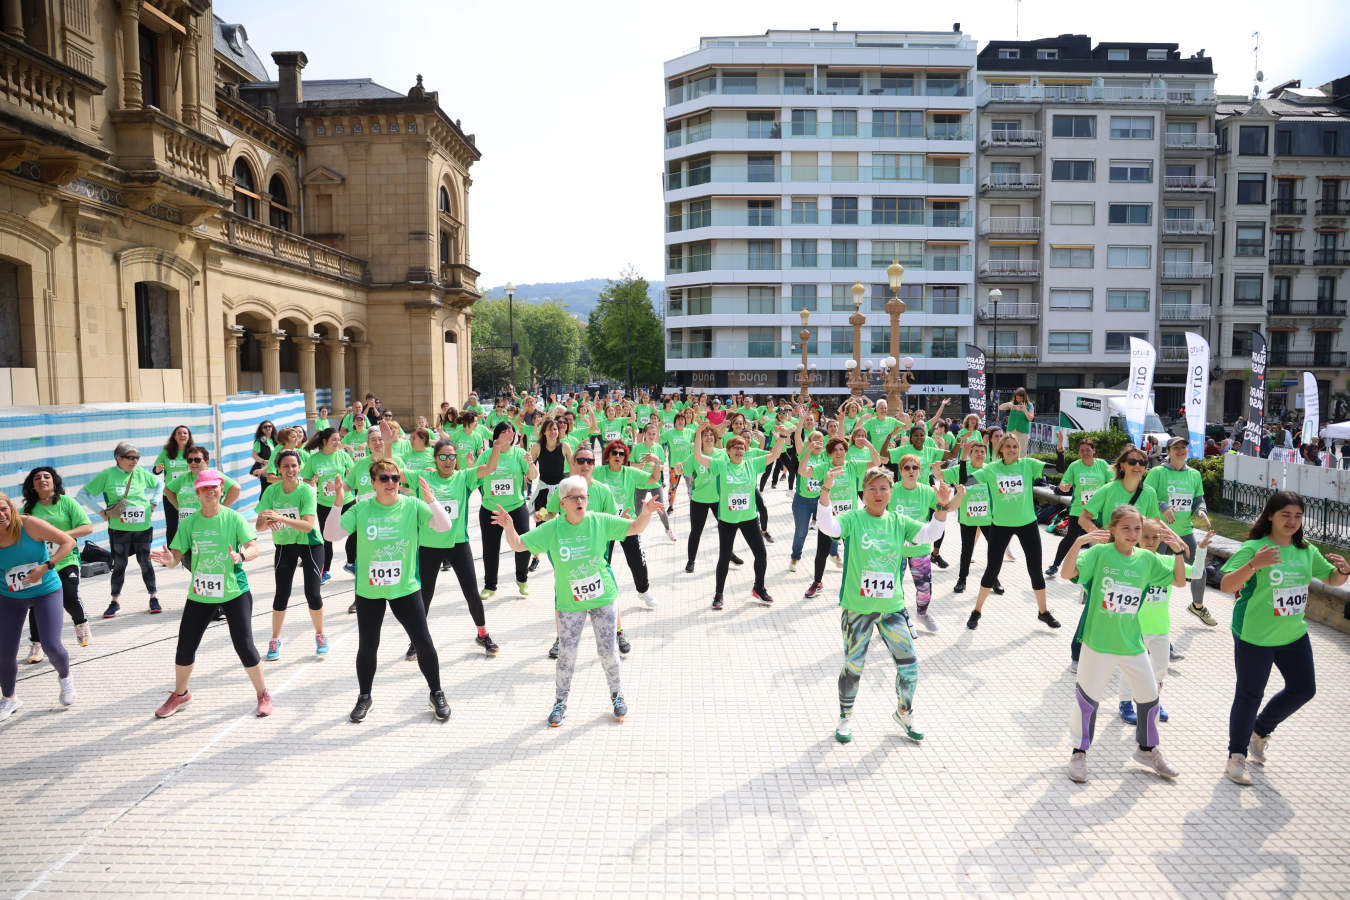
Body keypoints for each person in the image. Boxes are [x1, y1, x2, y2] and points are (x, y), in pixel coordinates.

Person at [494, 477, 663, 727]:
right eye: (574, 497)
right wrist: (509, 526)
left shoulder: (599, 521)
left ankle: (617, 695)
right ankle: (560, 702)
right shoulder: (552, 528)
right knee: (566, 655)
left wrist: (646, 512)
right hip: (569, 603)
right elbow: (518, 545)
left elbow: (635, 528)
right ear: (563, 503)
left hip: (603, 597)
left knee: (608, 650)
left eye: (583, 496)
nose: (580, 501)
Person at [1218, 491, 1349, 785]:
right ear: (1270, 516)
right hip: (1255, 634)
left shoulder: (1305, 550)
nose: (1292, 521)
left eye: (1298, 516)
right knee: (1249, 695)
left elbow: (1331, 579)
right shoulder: (1255, 548)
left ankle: (1260, 730)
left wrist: (1343, 571)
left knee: (1304, 689)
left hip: (1293, 634)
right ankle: (1236, 756)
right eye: (1285, 515)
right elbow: (1226, 584)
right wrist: (1254, 564)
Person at [815, 466, 952, 743]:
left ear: (891, 492)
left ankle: (904, 712)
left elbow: (929, 534)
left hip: (892, 608)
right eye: (872, 489)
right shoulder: (853, 518)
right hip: (858, 608)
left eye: (883, 488)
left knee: (910, 665)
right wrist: (826, 490)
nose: (878, 494)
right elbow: (827, 526)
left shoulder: (899, 521)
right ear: (862, 493)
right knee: (854, 666)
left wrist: (941, 505)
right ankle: (845, 717)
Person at [1060, 506, 1187, 783]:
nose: (1132, 534)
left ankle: (1147, 750)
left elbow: (1179, 581)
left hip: (1132, 642)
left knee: (1149, 696)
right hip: (1098, 642)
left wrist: (1178, 552)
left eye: (1137, 529)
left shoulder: (1146, 559)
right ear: (1113, 529)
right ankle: (1079, 753)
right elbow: (1066, 574)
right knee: (1087, 699)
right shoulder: (1099, 553)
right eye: (1126, 528)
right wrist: (1080, 542)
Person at [323, 459, 456, 723]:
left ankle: (436, 692)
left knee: (423, 641)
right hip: (369, 591)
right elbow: (331, 535)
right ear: (373, 482)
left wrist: (431, 500)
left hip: (405, 588)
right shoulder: (362, 508)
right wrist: (338, 502)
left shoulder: (412, 505)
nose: (391, 483)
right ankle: (364, 697)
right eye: (384, 478)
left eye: (395, 478)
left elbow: (444, 526)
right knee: (368, 644)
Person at [149, 469, 271, 718]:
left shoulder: (233, 518)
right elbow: (177, 556)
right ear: (197, 492)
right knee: (185, 647)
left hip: (234, 591)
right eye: (204, 488)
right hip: (200, 593)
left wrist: (242, 556)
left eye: (214, 487)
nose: (210, 491)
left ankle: (263, 694)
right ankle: (181, 695)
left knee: (244, 646)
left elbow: (253, 547)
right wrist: (168, 560)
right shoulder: (190, 522)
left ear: (221, 489)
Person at [1115, 520, 1213, 724]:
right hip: (1134, 629)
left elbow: (1195, 574)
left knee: (1160, 668)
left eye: (1155, 537)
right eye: (1146, 537)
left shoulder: (1168, 562)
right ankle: (1125, 703)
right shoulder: (1130, 560)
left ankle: (1153, 701)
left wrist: (1201, 550)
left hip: (1160, 628)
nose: (1150, 541)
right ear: (1138, 537)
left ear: (1162, 538)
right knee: (1130, 669)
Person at [965, 434, 1061, 631]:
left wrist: (1060, 451)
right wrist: (964, 460)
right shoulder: (992, 469)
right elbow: (966, 482)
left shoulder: (1027, 464)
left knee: (1035, 569)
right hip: (1000, 525)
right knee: (992, 569)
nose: (1011, 450)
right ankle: (976, 611)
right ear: (1001, 449)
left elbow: (1058, 469)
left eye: (1015, 446)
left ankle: (1043, 612)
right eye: (1007, 446)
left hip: (1028, 524)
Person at [418, 439, 501, 657]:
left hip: (458, 544)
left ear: (457, 459)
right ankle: (416, 640)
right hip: (429, 546)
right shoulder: (424, 477)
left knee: (472, 593)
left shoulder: (463, 477)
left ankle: (482, 634)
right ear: (435, 459)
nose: (448, 461)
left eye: (452, 456)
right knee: (424, 595)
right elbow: (395, 471)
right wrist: (386, 445)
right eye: (443, 457)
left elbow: (490, 468)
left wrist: (498, 447)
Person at [0, 491, 78, 722]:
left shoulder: (29, 524)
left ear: (11, 508)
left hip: (46, 591)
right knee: (4, 653)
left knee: (51, 644)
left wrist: (47, 566)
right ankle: (9, 698)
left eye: (3, 508)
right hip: (10, 596)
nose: (0, 514)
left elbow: (68, 541)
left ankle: (66, 680)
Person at [691, 425, 783, 609]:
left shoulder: (751, 464)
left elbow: (774, 455)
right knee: (724, 557)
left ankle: (759, 587)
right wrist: (699, 434)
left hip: (749, 518)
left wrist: (781, 437)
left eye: (742, 448)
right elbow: (699, 457)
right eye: (735, 448)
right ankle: (718, 595)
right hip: (727, 520)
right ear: (729, 451)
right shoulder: (721, 465)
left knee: (761, 554)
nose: (739, 451)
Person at [78, 442, 162, 618]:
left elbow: (159, 484)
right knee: (120, 565)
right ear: (118, 458)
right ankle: (115, 601)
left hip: (142, 528)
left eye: (137, 458)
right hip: (119, 530)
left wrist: (154, 501)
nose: (134, 461)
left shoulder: (140, 473)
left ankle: (153, 598)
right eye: (130, 457)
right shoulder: (107, 475)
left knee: (145, 562)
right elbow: (82, 494)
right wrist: (101, 512)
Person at [256, 449, 326, 660]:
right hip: (285, 545)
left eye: (294, 466)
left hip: (310, 544)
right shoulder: (271, 491)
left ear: (299, 467)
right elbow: (259, 526)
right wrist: (267, 521)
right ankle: (275, 639)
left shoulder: (306, 491)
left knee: (312, 593)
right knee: (281, 593)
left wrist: (280, 517)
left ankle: (320, 634)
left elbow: (307, 526)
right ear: (278, 468)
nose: (290, 470)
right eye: (285, 466)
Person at [20, 468, 93, 660]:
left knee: (69, 596)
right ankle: (37, 645)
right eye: (37, 478)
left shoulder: (66, 502)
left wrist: (61, 536)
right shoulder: (27, 511)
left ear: (54, 481)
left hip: (66, 558)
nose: (42, 480)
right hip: (39, 564)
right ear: (32, 485)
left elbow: (87, 527)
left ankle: (81, 623)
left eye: (46, 476)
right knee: (36, 604)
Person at [1145, 436, 1217, 626]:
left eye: (1183, 447)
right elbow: (1146, 497)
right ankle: (1142, 606)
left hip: (1184, 532)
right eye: (1175, 447)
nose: (1180, 450)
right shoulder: (1157, 472)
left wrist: (1201, 510)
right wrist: (1164, 506)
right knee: (1150, 570)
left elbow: (1198, 499)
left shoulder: (1194, 475)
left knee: (1198, 569)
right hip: (1158, 531)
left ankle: (1198, 606)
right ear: (1167, 452)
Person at [593, 439, 661, 609]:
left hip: (625, 522)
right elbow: (579, 479)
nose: (617, 456)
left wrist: (657, 462)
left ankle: (643, 591)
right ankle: (597, 596)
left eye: (621, 453)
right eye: (614, 453)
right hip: (604, 524)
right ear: (607, 456)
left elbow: (654, 479)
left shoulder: (630, 473)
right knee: (600, 561)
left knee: (637, 559)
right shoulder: (598, 472)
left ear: (625, 457)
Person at [477, 422, 536, 600]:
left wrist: (531, 464)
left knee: (523, 545)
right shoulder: (487, 455)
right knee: (490, 549)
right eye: (504, 431)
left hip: (516, 508)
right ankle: (490, 585)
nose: (509, 433)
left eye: (511, 431)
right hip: (491, 509)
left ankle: (522, 579)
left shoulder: (519, 453)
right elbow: (475, 476)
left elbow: (533, 476)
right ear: (497, 436)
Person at [888, 453, 942, 633]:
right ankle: (896, 620)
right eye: (907, 468)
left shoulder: (927, 491)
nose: (911, 471)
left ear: (920, 471)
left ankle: (922, 613)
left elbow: (944, 508)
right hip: (896, 550)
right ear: (900, 471)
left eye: (915, 467)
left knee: (924, 587)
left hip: (921, 548)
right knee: (895, 588)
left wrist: (950, 497)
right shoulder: (892, 490)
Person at [1047, 437, 1113, 577]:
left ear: (1093, 451)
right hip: (1079, 510)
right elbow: (1064, 482)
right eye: (1082, 450)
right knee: (1070, 538)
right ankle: (1055, 565)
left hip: (1099, 511)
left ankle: (1102, 569)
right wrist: (1064, 486)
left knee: (1101, 539)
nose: (1085, 453)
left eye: (1088, 450)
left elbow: (1112, 482)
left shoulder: (1102, 464)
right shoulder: (1075, 466)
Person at [942, 438, 999, 595]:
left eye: (982, 452)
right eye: (976, 451)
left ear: (986, 454)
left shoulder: (990, 469)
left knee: (994, 549)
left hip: (988, 518)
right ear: (971, 454)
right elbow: (961, 481)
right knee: (966, 550)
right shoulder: (964, 467)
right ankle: (962, 580)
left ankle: (994, 579)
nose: (980, 454)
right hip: (968, 518)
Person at [301, 428, 354, 581]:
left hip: (347, 499)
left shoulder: (343, 456)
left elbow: (352, 476)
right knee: (327, 538)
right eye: (334, 440)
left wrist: (343, 483)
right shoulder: (314, 459)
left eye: (339, 439)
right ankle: (324, 571)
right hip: (325, 504)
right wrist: (312, 482)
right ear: (324, 442)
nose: (338, 443)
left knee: (356, 532)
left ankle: (351, 562)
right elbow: (306, 479)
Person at [152, 425, 195, 548]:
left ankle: (192, 550)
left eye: (185, 433)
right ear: (174, 437)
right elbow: (155, 470)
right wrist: (158, 469)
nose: (182, 435)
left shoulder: (193, 452)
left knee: (191, 523)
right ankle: (171, 554)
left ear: (189, 436)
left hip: (189, 495)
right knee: (172, 526)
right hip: (170, 494)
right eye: (179, 433)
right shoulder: (166, 452)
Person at [999, 387, 1035, 456]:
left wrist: (1025, 410)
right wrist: (1008, 404)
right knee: (1008, 450)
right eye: (1017, 398)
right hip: (1011, 430)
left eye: (1020, 398)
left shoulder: (1030, 405)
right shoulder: (1012, 403)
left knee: (1022, 452)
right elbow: (1000, 407)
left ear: (1024, 397)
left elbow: (1030, 418)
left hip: (1023, 432)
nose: (1018, 400)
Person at [249, 421, 277, 498]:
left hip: (275, 468)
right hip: (265, 469)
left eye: (270, 426)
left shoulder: (276, 440)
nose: (268, 428)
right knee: (266, 489)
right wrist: (264, 461)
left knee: (275, 489)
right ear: (261, 429)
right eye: (265, 427)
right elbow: (254, 455)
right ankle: (262, 507)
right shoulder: (259, 441)